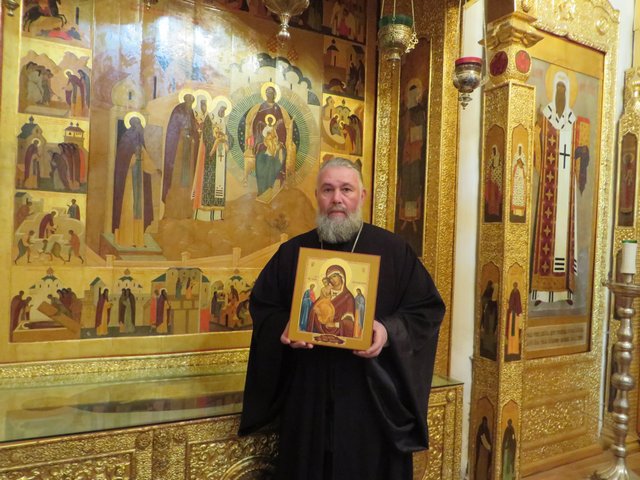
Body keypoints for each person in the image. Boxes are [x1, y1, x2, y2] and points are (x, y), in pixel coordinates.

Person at [239, 157, 445, 479]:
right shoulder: (292, 253)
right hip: (308, 403)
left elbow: (427, 310)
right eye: (328, 190)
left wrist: (386, 331)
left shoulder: (393, 251)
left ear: (361, 196)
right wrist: (286, 326)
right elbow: (264, 306)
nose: (337, 198)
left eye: (346, 189)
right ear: (317, 196)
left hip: (372, 406)